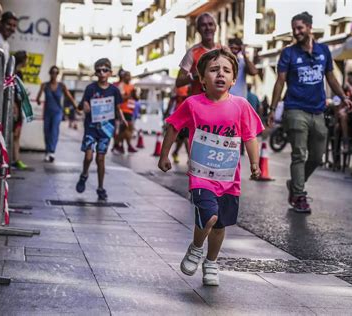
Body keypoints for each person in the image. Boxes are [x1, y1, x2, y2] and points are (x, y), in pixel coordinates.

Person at [158, 48, 263, 286]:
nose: (220, 74)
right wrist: (165, 155)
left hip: (229, 179)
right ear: (202, 78)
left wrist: (255, 164)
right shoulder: (192, 104)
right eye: (214, 70)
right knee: (209, 215)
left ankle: (211, 262)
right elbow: (174, 126)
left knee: (220, 225)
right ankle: (196, 248)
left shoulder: (241, 105)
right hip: (201, 176)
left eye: (226, 70)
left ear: (234, 79)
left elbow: (250, 136)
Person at [267, 12, 352, 213]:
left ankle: (295, 183)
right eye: (294, 29)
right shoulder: (288, 53)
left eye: (300, 28)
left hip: (317, 110)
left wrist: (343, 97)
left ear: (309, 27)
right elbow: (280, 81)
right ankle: (298, 195)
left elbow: (330, 77)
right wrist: (272, 109)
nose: (296, 32)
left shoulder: (324, 50)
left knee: (317, 156)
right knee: (299, 154)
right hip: (295, 108)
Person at [75, 58, 127, 201]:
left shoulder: (114, 90)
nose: (102, 73)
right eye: (98, 70)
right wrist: (85, 106)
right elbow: (83, 103)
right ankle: (84, 174)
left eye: (105, 70)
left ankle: (100, 187)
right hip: (91, 127)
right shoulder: (91, 88)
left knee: (100, 158)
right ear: (96, 73)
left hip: (106, 129)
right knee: (88, 156)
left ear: (110, 73)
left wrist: (122, 119)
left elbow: (117, 107)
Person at [174, 12, 222, 163]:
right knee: (199, 153)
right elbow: (179, 81)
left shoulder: (223, 51)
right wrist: (195, 75)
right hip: (200, 110)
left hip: (220, 108)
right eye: (203, 25)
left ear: (215, 27)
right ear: (198, 30)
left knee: (217, 152)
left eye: (210, 24)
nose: (207, 28)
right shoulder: (193, 52)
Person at [36, 66, 78, 162]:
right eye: (52, 72)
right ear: (50, 73)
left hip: (57, 112)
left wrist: (77, 108)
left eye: (56, 73)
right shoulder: (44, 85)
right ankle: (47, 151)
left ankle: (52, 151)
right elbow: (38, 97)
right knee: (47, 132)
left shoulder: (62, 86)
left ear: (58, 74)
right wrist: (38, 101)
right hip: (47, 112)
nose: (54, 75)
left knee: (54, 131)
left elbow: (70, 97)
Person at [113, 70, 137, 154]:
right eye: (127, 75)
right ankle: (120, 145)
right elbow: (121, 98)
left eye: (130, 75)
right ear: (123, 77)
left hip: (130, 110)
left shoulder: (132, 86)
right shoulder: (121, 85)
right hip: (122, 110)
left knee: (125, 129)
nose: (129, 77)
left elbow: (136, 98)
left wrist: (135, 94)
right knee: (127, 128)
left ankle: (118, 145)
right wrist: (129, 95)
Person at [11, 51, 28, 170]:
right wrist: (14, 105)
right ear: (23, 60)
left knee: (17, 134)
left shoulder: (16, 73)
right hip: (15, 106)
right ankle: (14, 160)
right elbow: (13, 90)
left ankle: (16, 159)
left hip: (17, 104)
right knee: (15, 134)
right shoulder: (16, 73)